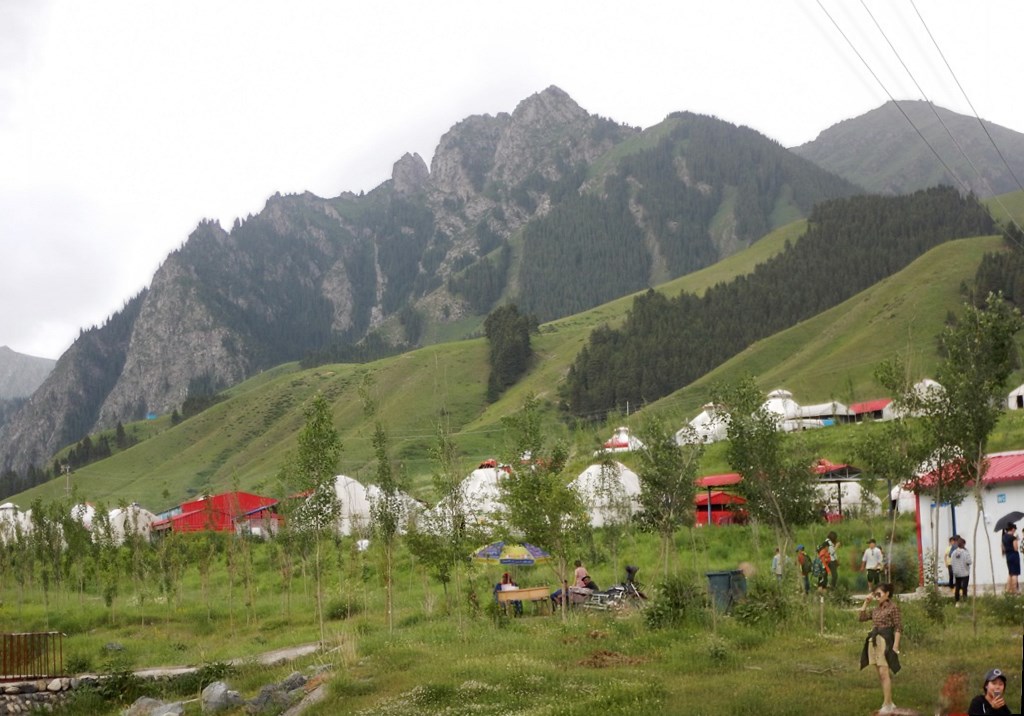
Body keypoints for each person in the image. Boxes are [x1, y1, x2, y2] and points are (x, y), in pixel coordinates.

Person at [858, 582, 902, 714]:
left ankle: (887, 705)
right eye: (875, 594)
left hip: (886, 640)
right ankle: (888, 702)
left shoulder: (893, 608)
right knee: (880, 673)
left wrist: (895, 645)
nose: (877, 596)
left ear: (887, 594)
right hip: (875, 640)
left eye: (879, 594)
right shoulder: (876, 609)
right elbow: (861, 618)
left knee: (884, 673)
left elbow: (898, 627)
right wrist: (866, 602)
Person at [951, 536, 972, 605]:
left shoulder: (954, 553)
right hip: (965, 572)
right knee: (964, 587)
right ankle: (965, 601)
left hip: (957, 573)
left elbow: (952, 562)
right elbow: (969, 562)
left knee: (957, 587)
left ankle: (957, 602)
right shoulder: (966, 553)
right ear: (964, 544)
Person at [1001, 524, 1019, 595]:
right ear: (1013, 529)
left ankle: (1008, 589)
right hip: (1014, 555)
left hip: (1008, 556)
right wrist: (1016, 539)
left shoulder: (1003, 537)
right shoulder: (1013, 538)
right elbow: (1016, 548)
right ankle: (1014, 590)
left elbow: (1003, 548)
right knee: (1015, 573)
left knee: (1010, 573)